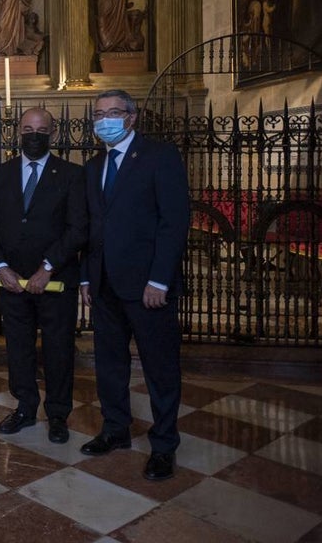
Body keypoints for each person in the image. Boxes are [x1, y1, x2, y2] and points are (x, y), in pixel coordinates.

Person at [80, 89, 190, 481]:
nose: (104, 119)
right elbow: (91, 227)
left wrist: (159, 279)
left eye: (113, 112)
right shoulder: (94, 166)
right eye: (98, 113)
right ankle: (115, 429)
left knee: (160, 368)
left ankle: (163, 445)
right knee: (109, 363)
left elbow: (173, 223)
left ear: (131, 117)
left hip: (148, 286)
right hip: (105, 285)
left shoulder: (161, 157)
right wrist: (86, 277)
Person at [0, 107, 87, 443]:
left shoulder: (71, 174)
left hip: (55, 279)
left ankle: (58, 414)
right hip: (12, 280)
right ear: (18, 133)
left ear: (52, 134)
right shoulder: (0, 174)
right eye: (28, 129)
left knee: (58, 348)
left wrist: (47, 268)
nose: (34, 135)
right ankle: (25, 406)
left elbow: (77, 228)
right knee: (18, 348)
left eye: (41, 130)